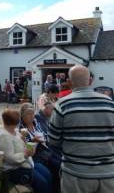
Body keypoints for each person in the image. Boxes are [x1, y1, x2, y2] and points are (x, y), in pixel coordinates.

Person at [48, 65, 114, 193]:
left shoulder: (62, 104)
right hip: (109, 174)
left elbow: (53, 140)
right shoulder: (110, 103)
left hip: (76, 175)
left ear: (69, 82)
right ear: (90, 81)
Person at [0, 109, 52, 193]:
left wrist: (24, 141)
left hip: (26, 162)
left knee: (47, 174)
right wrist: (25, 154)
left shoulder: (12, 129)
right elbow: (10, 158)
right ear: (13, 123)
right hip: (14, 169)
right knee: (42, 183)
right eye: (16, 123)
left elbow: (19, 143)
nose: (17, 125)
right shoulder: (3, 136)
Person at [19, 103, 61, 193]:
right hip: (35, 155)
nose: (32, 116)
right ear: (22, 116)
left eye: (33, 113)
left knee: (60, 164)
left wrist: (43, 138)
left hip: (45, 149)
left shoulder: (35, 122)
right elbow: (24, 146)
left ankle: (58, 188)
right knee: (54, 168)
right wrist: (33, 141)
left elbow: (43, 133)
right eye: (29, 114)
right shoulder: (21, 129)